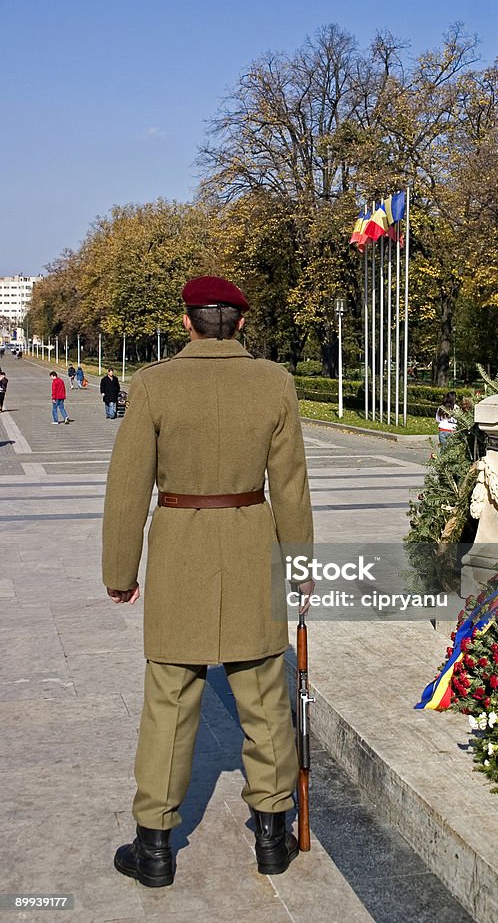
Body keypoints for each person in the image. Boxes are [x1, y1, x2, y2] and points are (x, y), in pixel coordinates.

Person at [103, 275, 314, 888]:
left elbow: (128, 486)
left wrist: (120, 570)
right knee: (266, 697)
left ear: (188, 321)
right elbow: (291, 485)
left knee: (169, 701)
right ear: (242, 323)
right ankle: (272, 838)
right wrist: (300, 566)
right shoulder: (274, 382)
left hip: (179, 551)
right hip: (252, 545)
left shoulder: (153, 384)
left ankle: (155, 847)